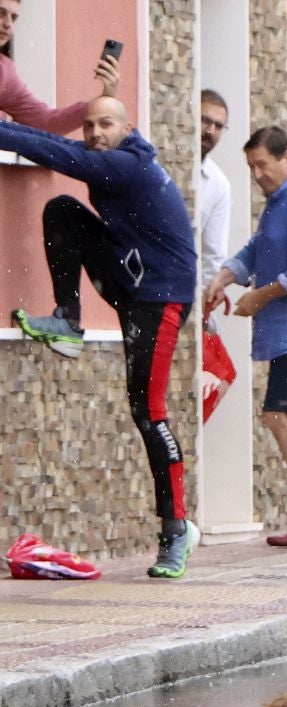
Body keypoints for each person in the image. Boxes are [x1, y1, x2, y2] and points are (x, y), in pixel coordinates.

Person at [1, 98, 199, 578]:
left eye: (104, 124)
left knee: (147, 413)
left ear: (127, 128)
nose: (93, 132)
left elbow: (59, 156)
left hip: (160, 297)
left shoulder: (127, 166)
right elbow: (55, 143)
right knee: (64, 211)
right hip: (129, 277)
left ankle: (177, 530)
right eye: (88, 125)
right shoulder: (117, 158)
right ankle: (69, 320)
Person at [203, 126, 287, 548]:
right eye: (251, 167)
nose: (257, 174)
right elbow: (256, 249)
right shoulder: (278, 202)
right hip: (285, 336)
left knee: (279, 417)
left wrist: (258, 296)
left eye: (263, 164)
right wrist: (224, 276)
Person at [0, 0, 119, 132]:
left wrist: (103, 100)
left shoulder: (5, 72)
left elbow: (47, 122)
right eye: (1, 13)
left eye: (13, 18)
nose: (8, 24)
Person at [197, 90, 231, 288]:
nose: (210, 130)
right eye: (204, 120)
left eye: (218, 126)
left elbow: (214, 254)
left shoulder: (219, 185)